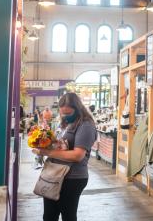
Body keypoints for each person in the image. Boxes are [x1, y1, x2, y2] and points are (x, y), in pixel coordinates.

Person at [32, 92, 97, 221]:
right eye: (63, 113)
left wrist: (47, 152)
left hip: (72, 178)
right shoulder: (66, 124)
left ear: (78, 109)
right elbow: (63, 144)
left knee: (68, 216)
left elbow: (78, 155)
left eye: (68, 113)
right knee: (49, 215)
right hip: (55, 174)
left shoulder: (86, 125)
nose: (65, 116)